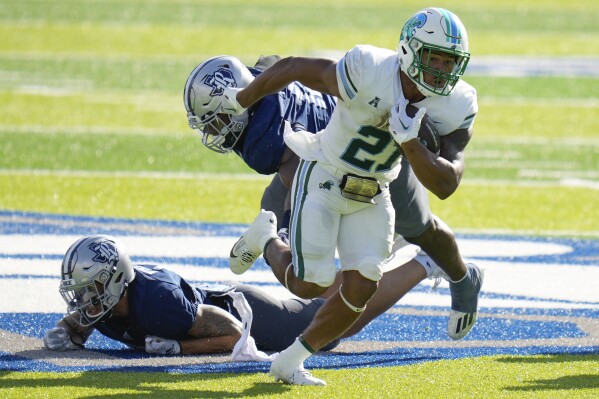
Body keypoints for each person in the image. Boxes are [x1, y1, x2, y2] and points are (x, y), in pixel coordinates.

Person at [218, 7, 484, 385]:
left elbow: (446, 184)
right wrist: (241, 99)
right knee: (310, 282)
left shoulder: (456, 102)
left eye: (449, 62)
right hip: (326, 170)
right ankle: (267, 238)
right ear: (409, 52)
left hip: (376, 189)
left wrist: (411, 144)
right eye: (433, 58)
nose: (441, 70)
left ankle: (290, 360)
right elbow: (293, 67)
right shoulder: (368, 69)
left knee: (364, 282)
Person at [182, 53, 454, 338]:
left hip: (371, 154)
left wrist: (289, 227)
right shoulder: (257, 87)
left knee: (327, 281)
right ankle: (271, 238)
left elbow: (300, 174)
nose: (212, 131)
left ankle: (421, 256)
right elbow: (273, 65)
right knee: (273, 210)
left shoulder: (263, 139)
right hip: (329, 145)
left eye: (216, 120)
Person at [43, 234, 441, 356]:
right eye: (80, 294)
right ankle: (383, 242)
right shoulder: (112, 300)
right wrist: (70, 328)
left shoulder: (158, 305)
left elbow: (236, 336)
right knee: (323, 297)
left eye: (91, 291)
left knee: (335, 323)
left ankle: (424, 261)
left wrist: (180, 347)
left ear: (115, 282)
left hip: (250, 316)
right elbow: (86, 318)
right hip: (231, 302)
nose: (84, 303)